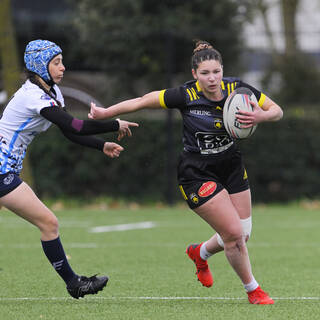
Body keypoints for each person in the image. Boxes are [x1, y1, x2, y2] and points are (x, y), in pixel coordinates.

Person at [88, 40, 283, 304]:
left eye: (216, 71)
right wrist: (105, 113)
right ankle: (253, 290)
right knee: (235, 236)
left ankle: (200, 253)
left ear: (223, 70)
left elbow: (277, 111)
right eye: (205, 73)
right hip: (197, 173)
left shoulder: (238, 89)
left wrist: (261, 116)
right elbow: (144, 100)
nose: (212, 78)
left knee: (243, 232)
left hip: (231, 166)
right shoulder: (185, 95)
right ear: (194, 74)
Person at [0, 39, 138, 299]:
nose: (63, 67)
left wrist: (101, 146)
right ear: (41, 65)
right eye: (56, 62)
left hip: (5, 170)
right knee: (49, 223)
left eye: (61, 61)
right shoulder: (33, 96)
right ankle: (74, 283)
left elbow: (69, 132)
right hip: (1, 171)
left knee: (48, 224)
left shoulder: (51, 91)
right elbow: (76, 126)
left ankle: (73, 283)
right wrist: (114, 124)